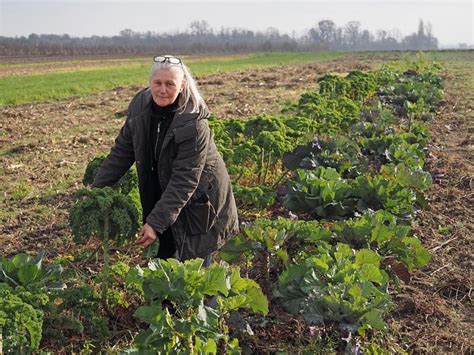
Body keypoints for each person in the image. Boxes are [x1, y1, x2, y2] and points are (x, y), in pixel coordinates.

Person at [92, 55, 239, 263]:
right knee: (162, 267)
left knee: (194, 277)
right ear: (150, 83)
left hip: (198, 205)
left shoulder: (194, 123)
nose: (162, 90)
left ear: (182, 86)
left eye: (170, 84)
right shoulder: (139, 107)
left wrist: (155, 223)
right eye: (157, 83)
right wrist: (95, 192)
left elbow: (185, 180)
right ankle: (164, 297)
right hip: (161, 193)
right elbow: (122, 152)